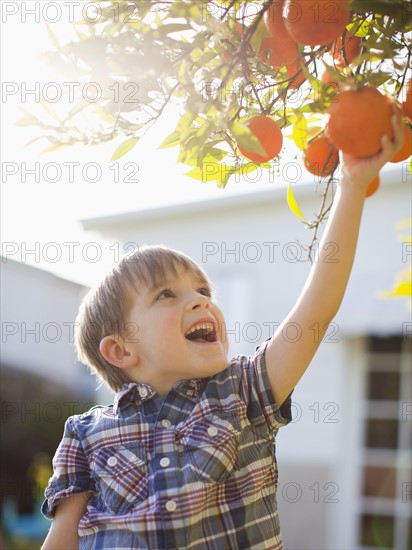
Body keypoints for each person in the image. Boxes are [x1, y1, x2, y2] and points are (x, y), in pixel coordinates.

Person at [41, 111, 404, 550]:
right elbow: (61, 541)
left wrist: (351, 185)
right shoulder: (85, 434)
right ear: (120, 351)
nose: (200, 300)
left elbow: (315, 313)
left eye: (202, 289)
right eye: (165, 295)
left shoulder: (242, 393)